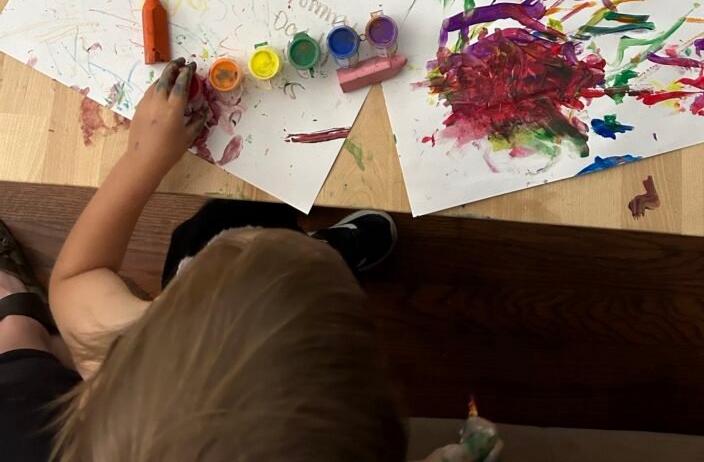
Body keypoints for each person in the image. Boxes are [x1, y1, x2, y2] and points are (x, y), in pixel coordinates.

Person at [0, 58, 500, 461]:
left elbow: (77, 275)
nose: (244, 238)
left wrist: (144, 154)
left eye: (204, 266)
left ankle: (15, 308)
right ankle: (328, 253)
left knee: (217, 223)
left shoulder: (123, 350)